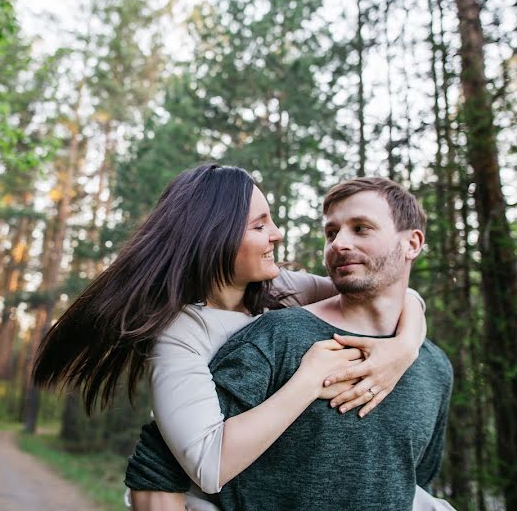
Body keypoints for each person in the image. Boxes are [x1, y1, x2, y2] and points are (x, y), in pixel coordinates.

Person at [31, 165, 434, 509]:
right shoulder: (180, 334)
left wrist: (404, 348)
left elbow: (389, 288)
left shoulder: (280, 290)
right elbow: (208, 463)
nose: (277, 234)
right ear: (214, 237)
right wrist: (307, 382)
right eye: (260, 225)